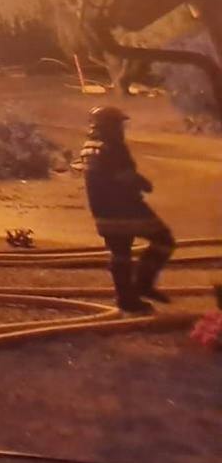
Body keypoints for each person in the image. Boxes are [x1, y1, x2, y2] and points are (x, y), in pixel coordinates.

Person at [80, 105, 174, 314]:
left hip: (102, 210)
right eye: (118, 124)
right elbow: (124, 176)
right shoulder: (112, 146)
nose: (121, 129)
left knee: (120, 253)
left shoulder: (89, 146)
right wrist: (144, 184)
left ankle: (126, 298)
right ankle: (143, 284)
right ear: (109, 126)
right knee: (164, 240)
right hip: (126, 207)